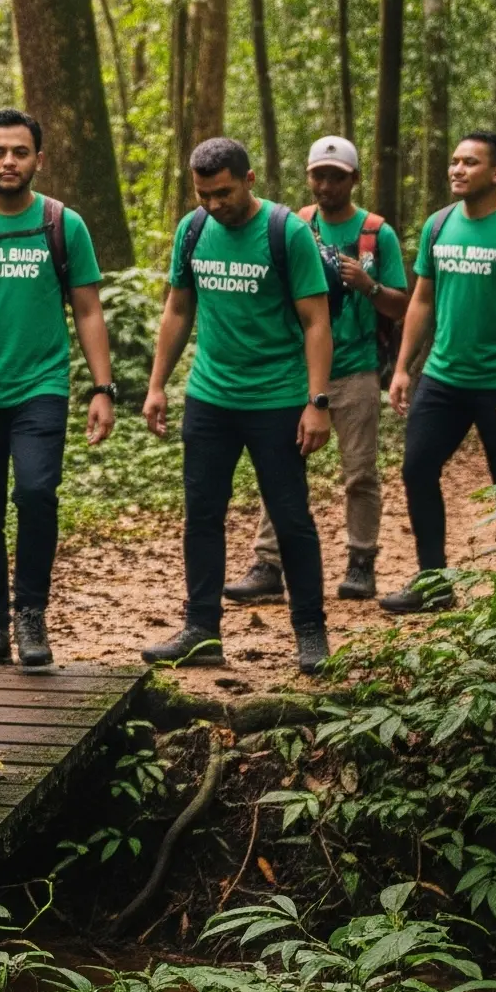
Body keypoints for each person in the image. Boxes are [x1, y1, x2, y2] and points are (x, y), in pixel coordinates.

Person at [141, 136, 334, 675]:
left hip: (275, 399)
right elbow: (178, 309)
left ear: (248, 181)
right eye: (203, 194)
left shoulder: (286, 232)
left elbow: (316, 321)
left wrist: (316, 402)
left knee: (291, 517)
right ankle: (201, 632)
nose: (213, 205)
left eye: (222, 193)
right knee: (202, 514)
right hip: (210, 397)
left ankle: (310, 632)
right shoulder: (194, 229)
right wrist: (158, 385)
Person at [0, 109, 116, 672]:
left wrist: (102, 387)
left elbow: (89, 310)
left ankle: (31, 615)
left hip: (42, 386)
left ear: (38, 160)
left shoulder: (61, 223)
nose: (8, 162)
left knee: (38, 494)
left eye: (20, 152)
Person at [224, 135, 408, 607]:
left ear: (354, 179)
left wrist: (368, 285)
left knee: (360, 473)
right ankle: (268, 564)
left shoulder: (375, 233)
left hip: (357, 369)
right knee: (281, 469)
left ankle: (361, 562)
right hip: (297, 372)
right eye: (318, 175)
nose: (326, 185)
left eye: (336, 176)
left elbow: (403, 305)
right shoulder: (293, 225)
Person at [382, 129, 496, 612]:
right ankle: (433, 583)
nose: (457, 169)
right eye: (455, 161)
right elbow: (421, 298)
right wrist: (403, 368)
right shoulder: (438, 226)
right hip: (442, 378)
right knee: (417, 469)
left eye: (470, 163)